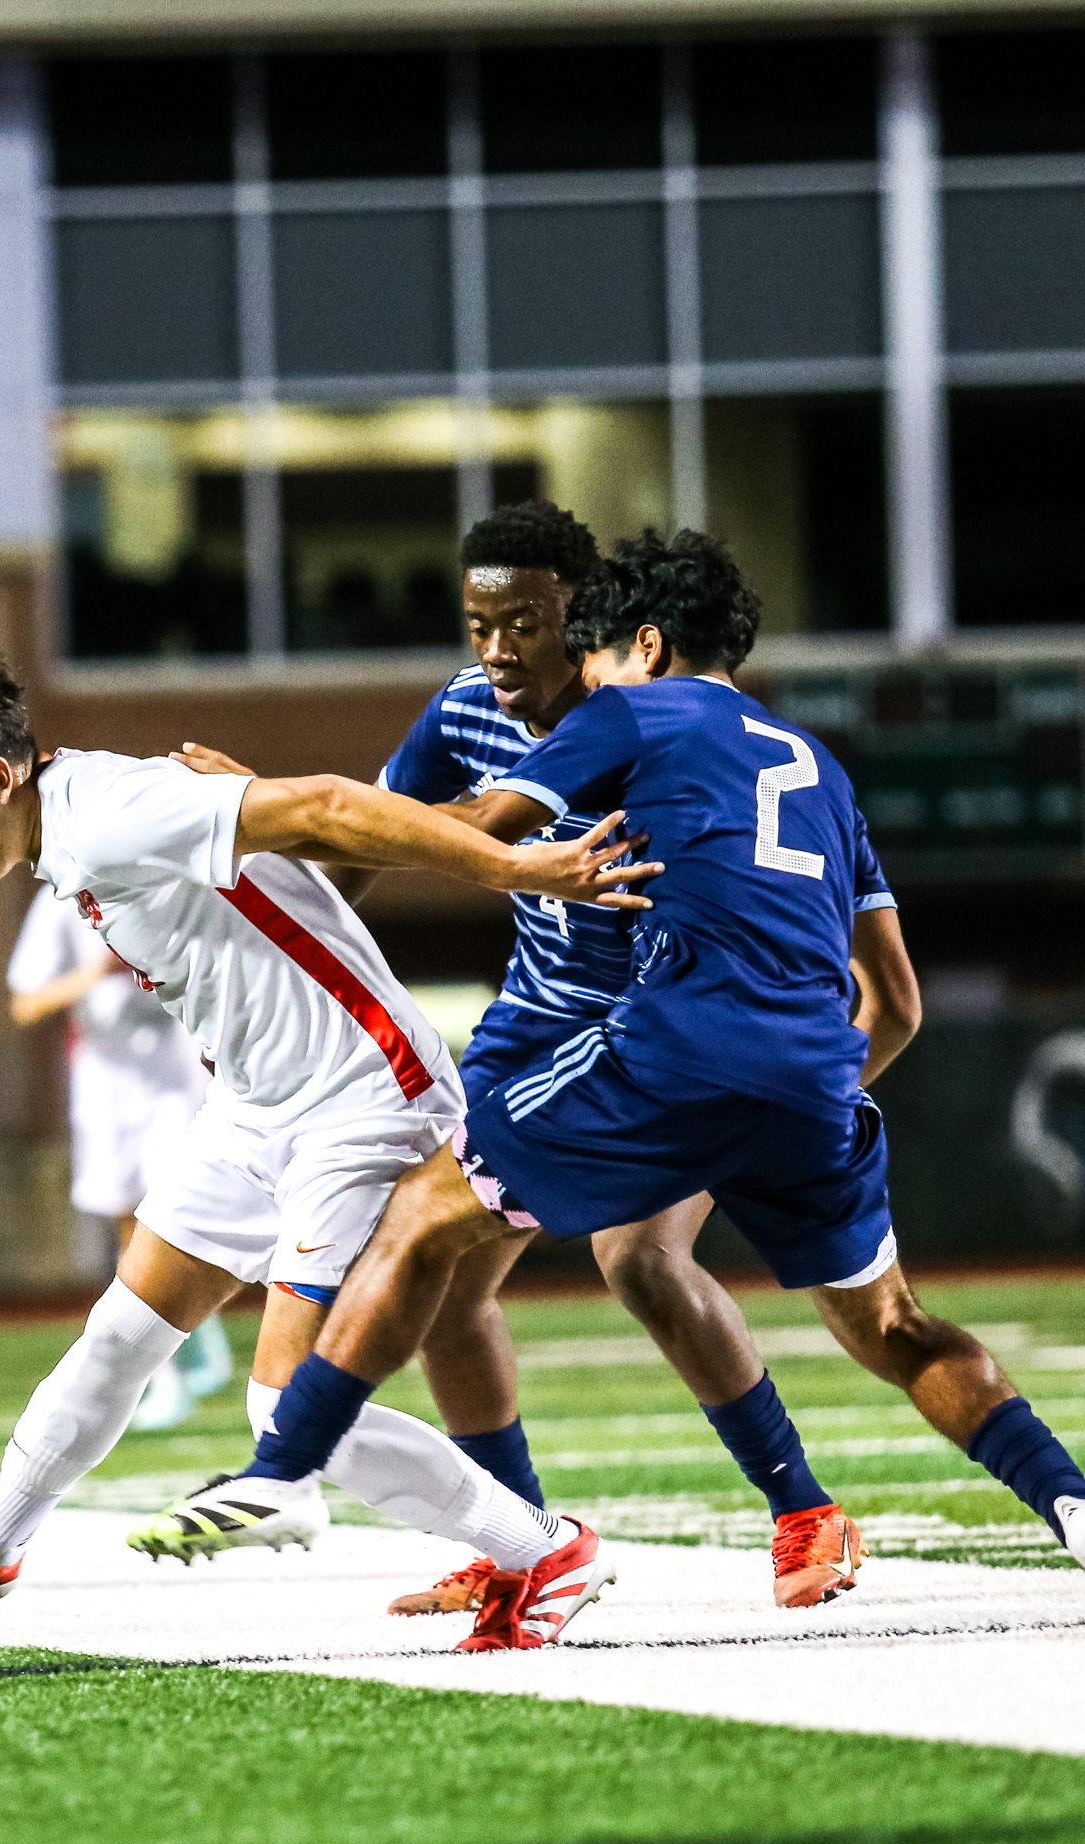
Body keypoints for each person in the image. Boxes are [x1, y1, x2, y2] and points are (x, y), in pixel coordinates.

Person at [180, 529, 1085, 1648]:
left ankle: (284, 1471)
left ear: (646, 644)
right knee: (894, 1325)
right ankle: (1075, 1505)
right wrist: (789, 1097)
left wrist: (267, 804)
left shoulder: (629, 712)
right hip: (816, 1081)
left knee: (423, 1217)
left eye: (596, 652)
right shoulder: (820, 766)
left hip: (668, 1050)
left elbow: (478, 832)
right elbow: (899, 1004)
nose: (584, 675)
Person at [0, 648, 656, 1626]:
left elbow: (327, 806)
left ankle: (546, 1550)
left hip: (362, 1100)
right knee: (119, 1338)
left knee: (286, 1409)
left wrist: (512, 867)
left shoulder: (109, 810)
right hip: (257, 1109)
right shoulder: (73, 816)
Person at [356, 500, 875, 1615]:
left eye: (526, 624)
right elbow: (374, 834)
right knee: (444, 1285)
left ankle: (802, 1506)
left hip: (657, 1027)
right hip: (528, 1022)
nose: (500, 650)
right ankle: (520, 1543)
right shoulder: (463, 706)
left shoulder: (645, 715)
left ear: (585, 622)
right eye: (480, 625)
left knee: (637, 1258)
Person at [6, 887, 232, 1429]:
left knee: (177, 1218)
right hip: (105, 1089)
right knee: (131, 1232)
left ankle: (186, 1354)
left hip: (177, 1082)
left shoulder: (162, 881)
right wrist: (98, 972)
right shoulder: (60, 900)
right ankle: (185, 1359)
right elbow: (25, 1004)